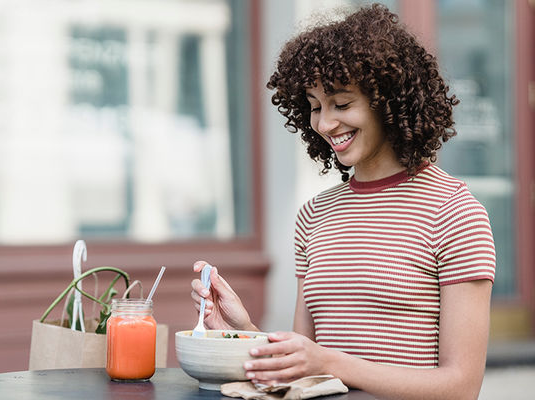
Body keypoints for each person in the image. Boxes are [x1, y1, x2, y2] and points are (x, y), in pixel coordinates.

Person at [190, 3, 495, 400]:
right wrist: (242, 330)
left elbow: (462, 386)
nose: (325, 124)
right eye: (315, 107)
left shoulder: (454, 212)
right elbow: (303, 369)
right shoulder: (314, 216)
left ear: (389, 101)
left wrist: (332, 363)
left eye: (342, 103)